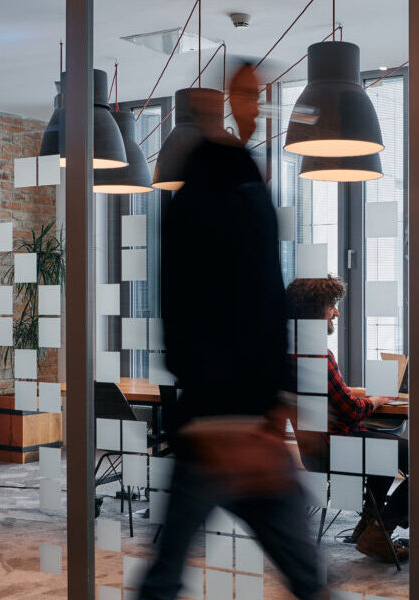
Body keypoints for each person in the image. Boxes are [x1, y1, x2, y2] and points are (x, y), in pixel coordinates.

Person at [138, 62, 323, 600]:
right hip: (228, 424)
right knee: (304, 578)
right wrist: (250, 413)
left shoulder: (228, 182)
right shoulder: (220, 191)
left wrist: (276, 403)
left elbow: (256, 300)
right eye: (248, 94)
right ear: (217, 105)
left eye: (259, 94)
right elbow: (231, 303)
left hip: (230, 420)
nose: (258, 105)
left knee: (166, 573)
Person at [286, 276, 409, 564]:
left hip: (315, 451)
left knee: (385, 454)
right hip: (340, 448)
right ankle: (379, 530)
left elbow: (326, 392)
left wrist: (360, 391)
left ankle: (368, 524)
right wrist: (376, 400)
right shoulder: (319, 354)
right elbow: (352, 412)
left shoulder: (288, 351)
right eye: (332, 306)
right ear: (315, 310)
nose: (337, 312)